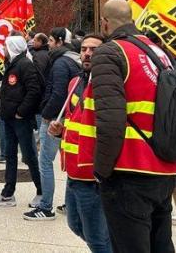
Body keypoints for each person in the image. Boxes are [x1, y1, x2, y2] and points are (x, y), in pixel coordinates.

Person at [91, 0, 176, 253]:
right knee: (161, 244)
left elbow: (110, 121)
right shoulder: (159, 52)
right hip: (165, 166)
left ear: (105, 23)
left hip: (130, 169)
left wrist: (101, 170)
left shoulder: (110, 53)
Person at [48, 34, 112, 252]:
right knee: (75, 225)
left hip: (92, 174)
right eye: (84, 49)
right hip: (73, 170)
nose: (87, 53)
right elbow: (76, 122)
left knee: (96, 238)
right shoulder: (75, 82)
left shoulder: (107, 85)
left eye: (93, 50)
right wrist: (59, 131)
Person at [25, 27, 81, 221]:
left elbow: (58, 94)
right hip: (71, 117)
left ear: (58, 41)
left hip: (56, 119)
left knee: (45, 162)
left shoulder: (60, 64)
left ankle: (45, 206)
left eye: (49, 40)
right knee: (68, 161)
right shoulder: (74, 59)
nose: (47, 43)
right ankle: (69, 203)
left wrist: (49, 116)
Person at [0, 36, 43, 211]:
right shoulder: (12, 64)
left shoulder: (25, 65)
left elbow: (34, 91)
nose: (2, 48)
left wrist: (21, 112)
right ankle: (7, 193)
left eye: (5, 45)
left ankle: (41, 192)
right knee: (10, 156)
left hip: (20, 120)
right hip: (9, 118)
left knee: (29, 156)